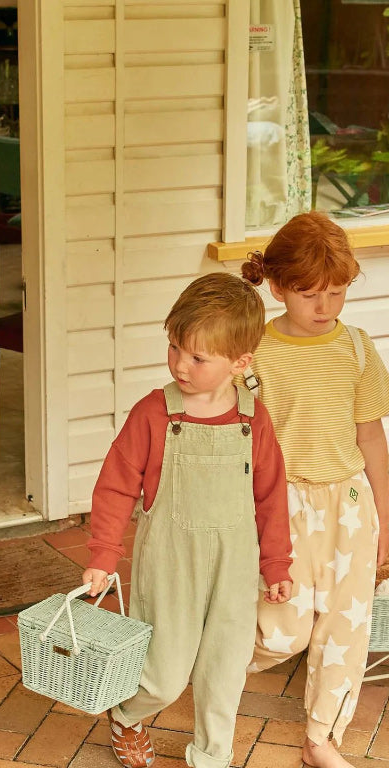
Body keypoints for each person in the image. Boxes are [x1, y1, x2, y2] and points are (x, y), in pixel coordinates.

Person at [83, 272, 293, 768]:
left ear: (240, 363)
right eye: (174, 347)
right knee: (164, 672)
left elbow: (270, 496)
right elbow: (114, 486)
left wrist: (277, 564)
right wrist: (102, 555)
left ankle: (213, 754)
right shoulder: (154, 414)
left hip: (236, 568)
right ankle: (128, 713)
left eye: (197, 357)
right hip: (170, 564)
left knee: (226, 668)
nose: (180, 364)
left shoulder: (252, 418)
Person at [241, 211, 389, 768]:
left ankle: (321, 737)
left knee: (346, 630)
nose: (324, 307)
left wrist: (385, 518)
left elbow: (371, 436)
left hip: (350, 503)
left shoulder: (356, 348)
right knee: (284, 631)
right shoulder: (254, 350)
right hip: (283, 504)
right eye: (309, 295)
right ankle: (211, 662)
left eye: (336, 292)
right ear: (277, 286)